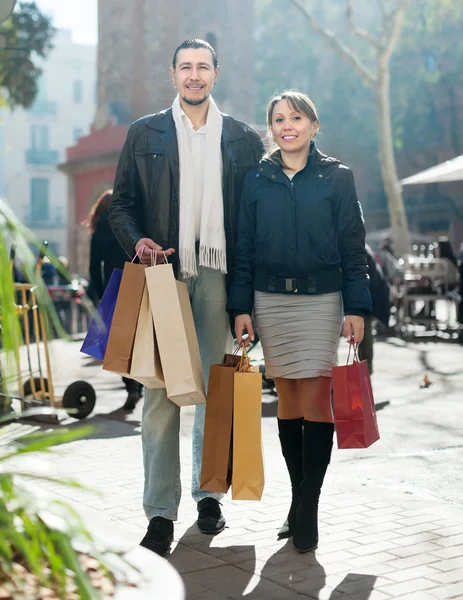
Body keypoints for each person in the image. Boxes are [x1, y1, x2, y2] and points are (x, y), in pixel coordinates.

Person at [108, 39, 264, 556]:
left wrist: (247, 299)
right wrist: (138, 241)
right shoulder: (144, 133)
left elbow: (250, 221)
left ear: (216, 74)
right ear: (172, 74)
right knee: (160, 392)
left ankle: (209, 497)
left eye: (203, 67)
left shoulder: (242, 139)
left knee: (218, 388)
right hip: (164, 274)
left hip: (219, 273)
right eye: (185, 68)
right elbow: (122, 206)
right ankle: (158, 512)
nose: (194, 76)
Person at [226, 90, 371, 553]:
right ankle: (297, 497)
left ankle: (308, 506)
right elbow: (243, 248)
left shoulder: (337, 177)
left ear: (313, 124)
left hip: (322, 301)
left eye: (296, 117)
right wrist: (240, 307)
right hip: (270, 301)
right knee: (286, 397)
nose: (287, 125)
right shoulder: (256, 179)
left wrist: (357, 307)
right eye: (278, 119)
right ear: (271, 129)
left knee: (315, 397)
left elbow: (353, 248)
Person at [84, 189, 143, 411]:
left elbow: (93, 267)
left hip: (113, 286)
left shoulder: (98, 230)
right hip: (136, 281)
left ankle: (131, 386)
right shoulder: (130, 226)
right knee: (139, 337)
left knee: (117, 344)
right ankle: (141, 381)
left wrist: (101, 293)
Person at [358, 244, 391, 375]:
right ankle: (365, 374)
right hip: (369, 295)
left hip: (369, 297)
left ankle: (365, 373)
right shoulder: (363, 248)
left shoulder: (360, 250)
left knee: (364, 332)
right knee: (364, 333)